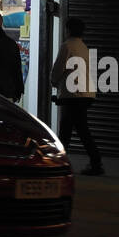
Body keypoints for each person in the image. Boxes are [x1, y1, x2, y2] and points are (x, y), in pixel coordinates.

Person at [50, 16, 104, 176]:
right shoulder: (84, 47)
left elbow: (58, 69)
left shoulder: (67, 46)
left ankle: (59, 164)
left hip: (73, 95)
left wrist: (53, 82)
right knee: (76, 130)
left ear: (68, 30)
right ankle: (92, 162)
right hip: (85, 94)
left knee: (69, 131)